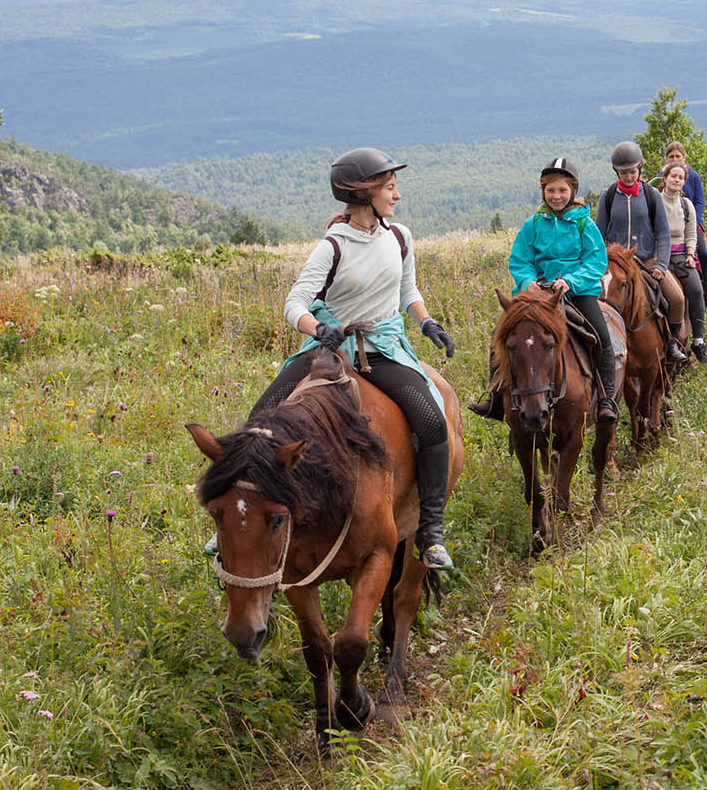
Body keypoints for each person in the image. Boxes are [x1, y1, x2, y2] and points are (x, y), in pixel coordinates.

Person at [236, 147, 458, 570]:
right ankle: (238, 518)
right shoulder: (332, 246)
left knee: (431, 421)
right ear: (364, 194)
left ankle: (430, 530)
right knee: (261, 418)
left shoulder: (399, 237)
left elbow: (408, 291)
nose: (397, 196)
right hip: (333, 349)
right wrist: (318, 329)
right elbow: (295, 303)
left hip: (385, 347)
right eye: (390, 188)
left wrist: (427, 323)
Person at [505, 158, 620, 423]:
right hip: (538, 294)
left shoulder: (584, 225)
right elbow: (520, 260)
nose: (556, 196)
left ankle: (606, 399)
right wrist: (527, 282)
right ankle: (496, 398)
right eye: (551, 190)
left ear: (573, 192)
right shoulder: (533, 225)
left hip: (576, 293)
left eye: (562, 190)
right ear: (543, 191)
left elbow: (595, 262)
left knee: (602, 337)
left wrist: (570, 281)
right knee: (502, 336)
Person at [597, 141, 689, 362]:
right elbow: (598, 234)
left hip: (647, 260)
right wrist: (599, 264)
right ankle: (598, 347)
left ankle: (672, 345)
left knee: (676, 298)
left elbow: (663, 234)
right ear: (616, 171)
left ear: (640, 168)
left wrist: (660, 264)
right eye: (623, 173)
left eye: (632, 171)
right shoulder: (608, 196)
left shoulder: (651, 195)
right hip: (615, 263)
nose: (629, 177)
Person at [656, 142, 707, 313]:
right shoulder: (660, 176)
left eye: (678, 156)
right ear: (666, 159)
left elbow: (700, 200)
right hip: (666, 226)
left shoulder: (693, 176)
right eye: (671, 157)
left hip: (689, 222)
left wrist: (695, 219)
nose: (675, 159)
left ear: (684, 157)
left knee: (704, 256)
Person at [659, 162, 707, 363]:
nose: (677, 180)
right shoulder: (656, 202)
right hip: (659, 255)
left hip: (680, 255)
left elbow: (691, 233)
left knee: (696, 290)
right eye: (673, 176)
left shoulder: (687, 206)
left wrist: (690, 254)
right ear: (665, 178)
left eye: (681, 177)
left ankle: (698, 339)